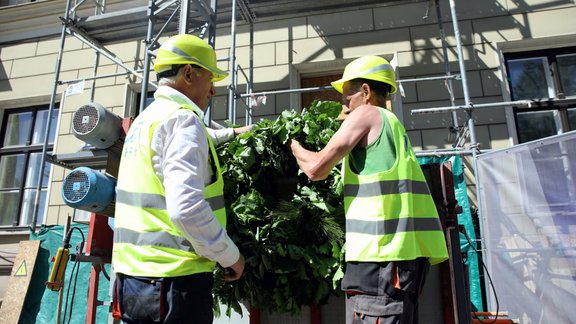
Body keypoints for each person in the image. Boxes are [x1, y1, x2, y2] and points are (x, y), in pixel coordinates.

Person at [290, 55, 448, 324]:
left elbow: (316, 168)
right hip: (401, 260)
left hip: (380, 258)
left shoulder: (367, 114)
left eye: (346, 99)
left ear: (365, 92)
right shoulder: (393, 126)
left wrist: (292, 144)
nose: (344, 109)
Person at [112, 34, 245, 324]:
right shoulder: (184, 120)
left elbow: (196, 139)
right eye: (210, 79)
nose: (212, 90)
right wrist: (230, 255)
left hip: (133, 281)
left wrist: (234, 133)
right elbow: (186, 207)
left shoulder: (146, 121)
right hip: (174, 283)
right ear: (188, 74)